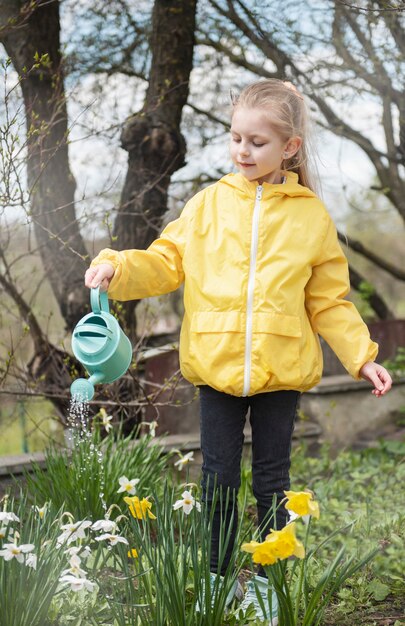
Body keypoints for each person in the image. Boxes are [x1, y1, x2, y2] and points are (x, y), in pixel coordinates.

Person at [84, 79, 392, 623]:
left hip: (281, 373)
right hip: (216, 369)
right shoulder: (207, 206)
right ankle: (217, 581)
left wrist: (362, 356)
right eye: (236, 139)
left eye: (257, 142)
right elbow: (166, 261)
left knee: (274, 481)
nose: (242, 151)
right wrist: (118, 267)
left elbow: (329, 301)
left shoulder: (310, 217)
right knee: (218, 479)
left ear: (290, 147)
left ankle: (271, 586)